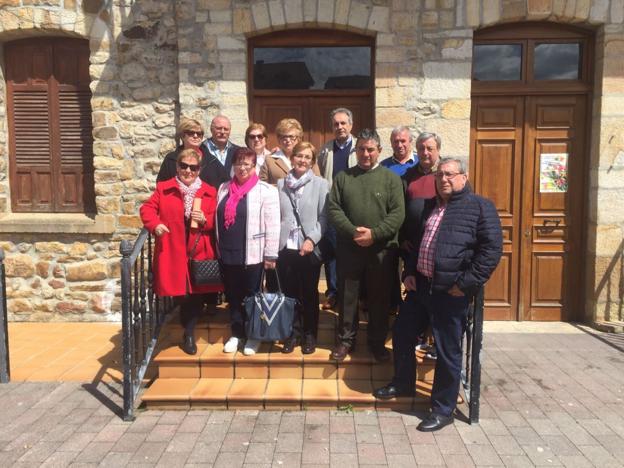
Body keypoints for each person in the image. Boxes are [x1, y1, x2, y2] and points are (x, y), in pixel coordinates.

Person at [373, 158, 502, 432]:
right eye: (440, 175)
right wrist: (409, 270)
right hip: (421, 287)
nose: (443, 179)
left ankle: (443, 409)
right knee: (403, 333)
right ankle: (403, 382)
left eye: (450, 175)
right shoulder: (430, 206)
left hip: (450, 292)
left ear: (463, 177)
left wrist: (466, 284)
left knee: (447, 350)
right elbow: (418, 244)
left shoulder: (480, 207)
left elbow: (491, 251)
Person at [327, 129, 405, 362]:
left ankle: (377, 342)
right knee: (347, 296)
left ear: (379, 151)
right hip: (349, 249)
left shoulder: (391, 179)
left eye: (370, 149)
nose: (365, 153)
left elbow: (398, 213)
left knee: (379, 298)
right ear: (356, 150)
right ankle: (345, 341)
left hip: (381, 250)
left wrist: (374, 234)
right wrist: (354, 232)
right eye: (361, 149)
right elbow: (333, 209)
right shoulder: (343, 177)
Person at [141, 148, 222, 355]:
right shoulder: (164, 188)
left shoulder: (210, 191)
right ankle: (188, 325)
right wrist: (155, 225)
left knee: (195, 292)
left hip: (198, 247)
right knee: (182, 292)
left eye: (193, 168)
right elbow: (147, 209)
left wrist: (206, 219)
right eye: (183, 166)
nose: (188, 171)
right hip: (173, 247)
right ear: (177, 166)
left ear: (199, 170)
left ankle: (189, 334)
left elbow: (216, 218)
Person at [216, 147, 280, 356]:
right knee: (233, 296)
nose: (242, 168)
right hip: (227, 252)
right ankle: (237, 333)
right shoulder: (224, 188)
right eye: (239, 163)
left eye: (247, 164)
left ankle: (254, 336)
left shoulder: (265, 190)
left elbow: (272, 225)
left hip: (253, 253)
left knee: (252, 296)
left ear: (255, 167)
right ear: (233, 165)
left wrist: (270, 255)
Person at [277, 142, 329, 354]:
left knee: (309, 293)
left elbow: (325, 216)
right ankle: (293, 333)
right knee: (289, 293)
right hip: (285, 246)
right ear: (292, 157)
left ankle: (309, 335)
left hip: (308, 246)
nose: (302, 160)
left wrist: (312, 239)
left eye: (307, 157)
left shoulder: (320, 184)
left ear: (312, 162)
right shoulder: (281, 184)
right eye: (299, 156)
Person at [317, 108, 357, 311]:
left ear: (351, 125)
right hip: (334, 207)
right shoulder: (325, 150)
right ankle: (333, 292)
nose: (340, 127)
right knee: (332, 253)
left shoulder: (361, 147)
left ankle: (355, 295)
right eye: (336, 124)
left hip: (355, 209)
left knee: (354, 253)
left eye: (343, 123)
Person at [157, 118, 229, 190]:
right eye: (191, 133)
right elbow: (161, 186)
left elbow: (225, 185)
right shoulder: (171, 159)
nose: (195, 136)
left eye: (199, 134)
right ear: (183, 136)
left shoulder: (212, 161)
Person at [260, 118, 320, 185]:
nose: (288, 140)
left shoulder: (308, 158)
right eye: (284, 137)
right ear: (279, 139)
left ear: (299, 138)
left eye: (291, 137)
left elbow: (317, 182)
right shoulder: (270, 160)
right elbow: (262, 185)